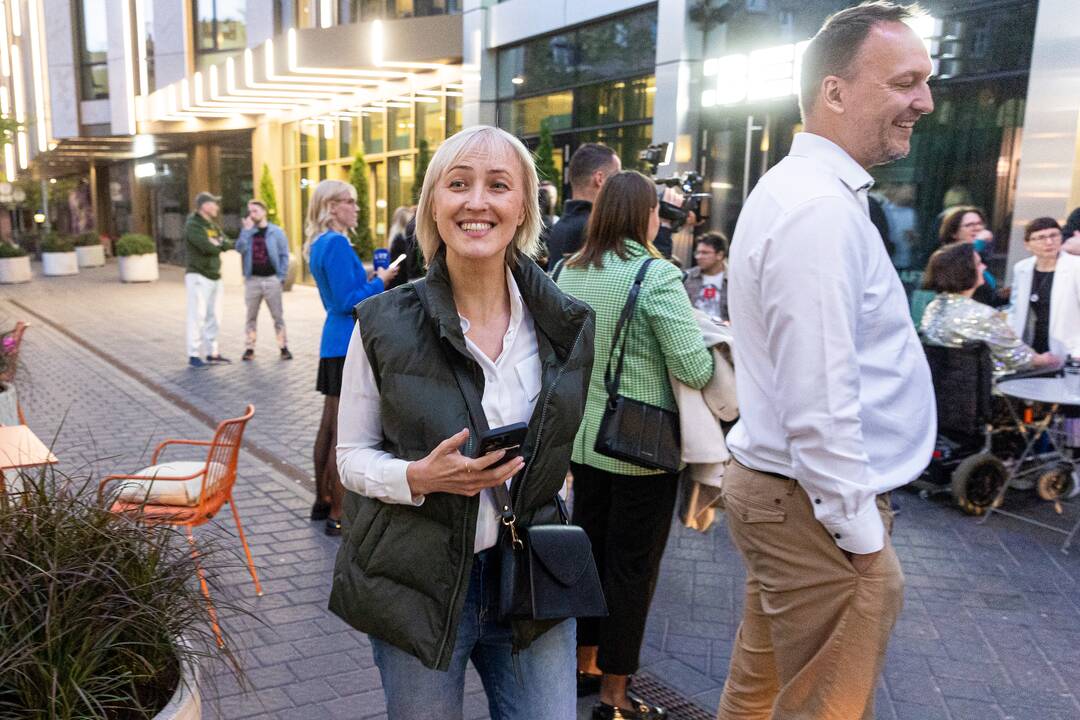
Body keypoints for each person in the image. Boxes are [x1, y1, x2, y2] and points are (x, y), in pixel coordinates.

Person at [330, 126, 594, 720]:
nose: (477, 201)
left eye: (498, 185)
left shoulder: (565, 321)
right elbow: (350, 456)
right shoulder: (381, 323)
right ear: (433, 205)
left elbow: (563, 434)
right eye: (458, 184)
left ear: (522, 206)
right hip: (416, 581)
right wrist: (419, 478)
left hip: (532, 573)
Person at [722, 4, 936, 719]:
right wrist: (864, 539)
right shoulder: (817, 207)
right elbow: (820, 400)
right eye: (905, 81)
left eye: (924, 82)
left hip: (791, 495)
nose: (924, 102)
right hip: (814, 507)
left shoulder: (808, 193)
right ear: (835, 92)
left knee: (758, 697)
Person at [556, 170, 713, 720]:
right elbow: (693, 365)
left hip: (583, 441)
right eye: (655, 210)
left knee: (590, 558)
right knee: (632, 571)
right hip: (642, 449)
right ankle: (615, 697)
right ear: (644, 215)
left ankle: (584, 663)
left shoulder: (566, 271)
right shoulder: (656, 274)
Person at [305, 180, 399, 535]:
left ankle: (321, 501)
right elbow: (349, 301)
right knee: (343, 431)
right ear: (331, 206)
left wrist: (367, 275)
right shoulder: (338, 243)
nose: (356, 208)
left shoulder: (319, 244)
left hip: (332, 341)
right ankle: (338, 514)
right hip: (347, 340)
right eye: (350, 201)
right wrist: (381, 280)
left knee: (328, 425)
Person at [921, 243, 1058, 375]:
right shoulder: (981, 314)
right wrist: (1048, 359)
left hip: (943, 389)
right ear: (966, 271)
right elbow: (1020, 358)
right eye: (979, 264)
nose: (984, 267)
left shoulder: (933, 307)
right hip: (986, 390)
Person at [1007, 217, 1080, 359]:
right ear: (1027, 244)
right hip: (1033, 345)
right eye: (1040, 238)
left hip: (1071, 348)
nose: (1049, 242)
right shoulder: (1022, 268)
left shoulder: (1076, 266)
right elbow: (1015, 309)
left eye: (1054, 235)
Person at [546, 143, 620, 270]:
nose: (620, 184)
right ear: (600, 179)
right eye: (617, 176)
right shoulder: (598, 229)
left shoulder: (557, 227)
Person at [235, 199, 292, 361]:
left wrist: (280, 277)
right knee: (251, 317)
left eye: (255, 211)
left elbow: (284, 255)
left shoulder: (276, 232)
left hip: (272, 280)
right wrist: (246, 231)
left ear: (264, 212)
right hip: (252, 280)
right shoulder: (248, 231)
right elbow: (239, 248)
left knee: (278, 316)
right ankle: (249, 348)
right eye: (250, 212)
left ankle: (283, 347)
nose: (252, 215)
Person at [184, 191, 233, 368]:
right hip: (198, 275)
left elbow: (227, 243)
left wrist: (217, 242)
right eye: (214, 204)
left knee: (214, 315)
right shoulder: (193, 225)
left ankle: (212, 352)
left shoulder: (212, 225)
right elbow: (206, 247)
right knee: (197, 315)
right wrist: (217, 243)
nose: (217, 208)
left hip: (215, 275)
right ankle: (194, 354)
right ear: (205, 206)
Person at [939, 205, 1004, 306]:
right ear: (954, 233)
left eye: (979, 224)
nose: (977, 228)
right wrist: (979, 242)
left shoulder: (982, 257)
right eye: (969, 225)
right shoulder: (947, 258)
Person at [683, 231, 729, 323]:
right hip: (694, 328)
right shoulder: (687, 277)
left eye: (705, 253)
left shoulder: (734, 279)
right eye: (697, 252)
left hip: (725, 332)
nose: (699, 257)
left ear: (719, 255)